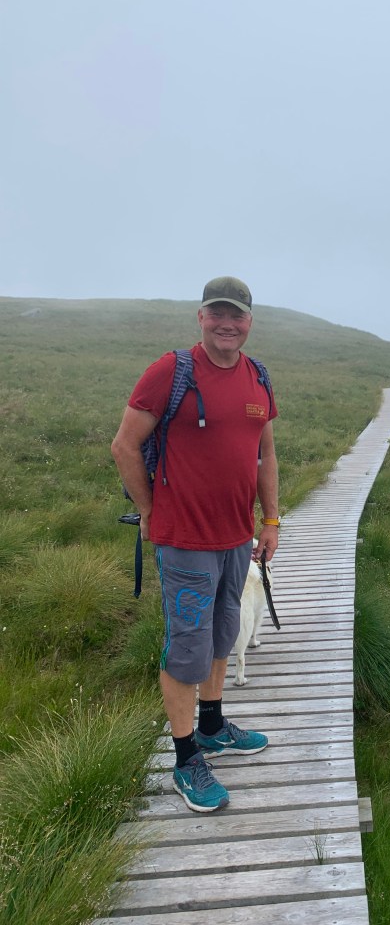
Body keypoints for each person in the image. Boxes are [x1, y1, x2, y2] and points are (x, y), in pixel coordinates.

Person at [111, 276, 280, 813]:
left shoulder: (258, 377)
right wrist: (149, 510)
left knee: (223, 633)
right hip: (184, 538)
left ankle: (212, 725)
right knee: (188, 648)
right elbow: (124, 445)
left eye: (237, 315)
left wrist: (271, 519)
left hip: (236, 537)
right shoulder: (172, 371)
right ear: (201, 317)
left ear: (249, 321)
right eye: (217, 313)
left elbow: (265, 454)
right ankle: (186, 759)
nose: (227, 324)